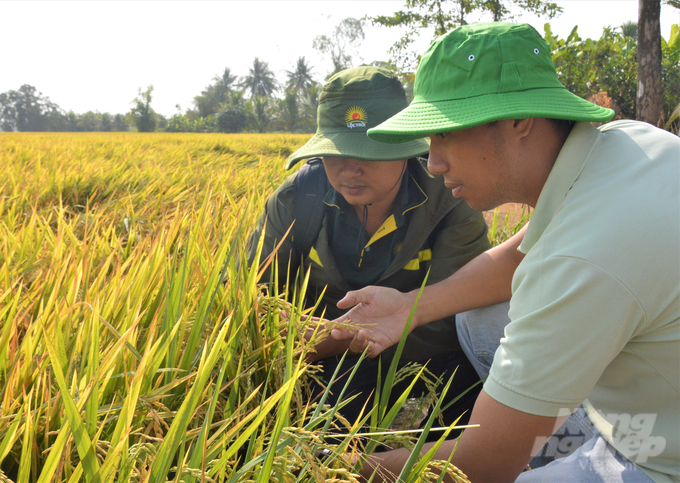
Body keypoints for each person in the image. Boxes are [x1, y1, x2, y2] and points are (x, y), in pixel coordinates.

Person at [330, 23, 680, 483]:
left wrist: (329, 467)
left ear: (519, 120)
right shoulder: (627, 143)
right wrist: (410, 308)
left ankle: (543, 446)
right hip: (660, 401)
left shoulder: (580, 259)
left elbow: (481, 464)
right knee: (478, 318)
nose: (433, 163)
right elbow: (522, 254)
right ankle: (549, 440)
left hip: (658, 455)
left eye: (446, 134)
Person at [245, 66, 498, 427]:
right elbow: (255, 296)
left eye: (369, 152)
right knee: (318, 431)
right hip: (321, 362)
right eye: (336, 153)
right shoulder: (297, 200)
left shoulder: (450, 201)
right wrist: (300, 336)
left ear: (405, 149)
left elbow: (457, 312)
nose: (350, 169)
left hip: (422, 357)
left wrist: (339, 337)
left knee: (470, 412)